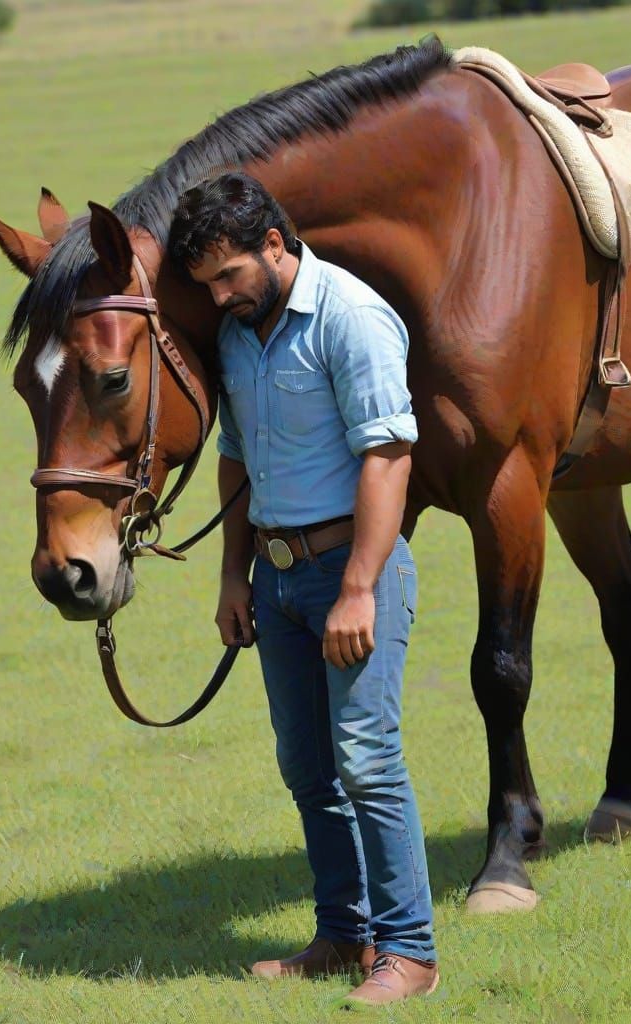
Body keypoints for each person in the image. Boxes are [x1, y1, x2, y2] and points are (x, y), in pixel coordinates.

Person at [167, 172, 438, 1005]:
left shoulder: (350, 317)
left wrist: (358, 588)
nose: (219, 296)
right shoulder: (242, 333)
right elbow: (238, 462)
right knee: (308, 767)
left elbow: (389, 456)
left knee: (368, 759)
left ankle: (411, 953)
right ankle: (342, 935)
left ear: (275, 246)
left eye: (229, 276)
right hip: (274, 584)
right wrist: (230, 577)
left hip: (348, 575)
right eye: (206, 282)